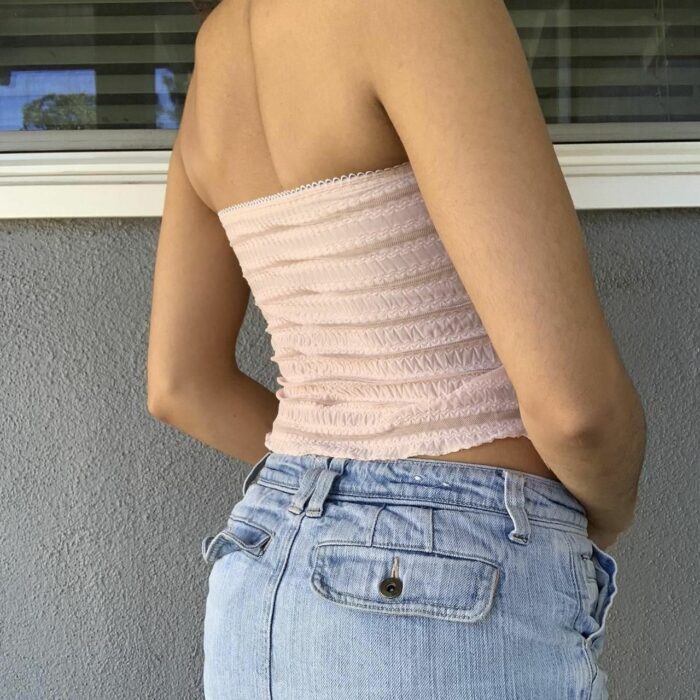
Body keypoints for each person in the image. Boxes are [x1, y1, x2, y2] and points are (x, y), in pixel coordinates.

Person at [147, 1, 647, 698]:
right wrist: (606, 512)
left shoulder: (218, 50)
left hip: (264, 572)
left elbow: (181, 385)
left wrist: (347, 483)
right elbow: (576, 413)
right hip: (445, 587)